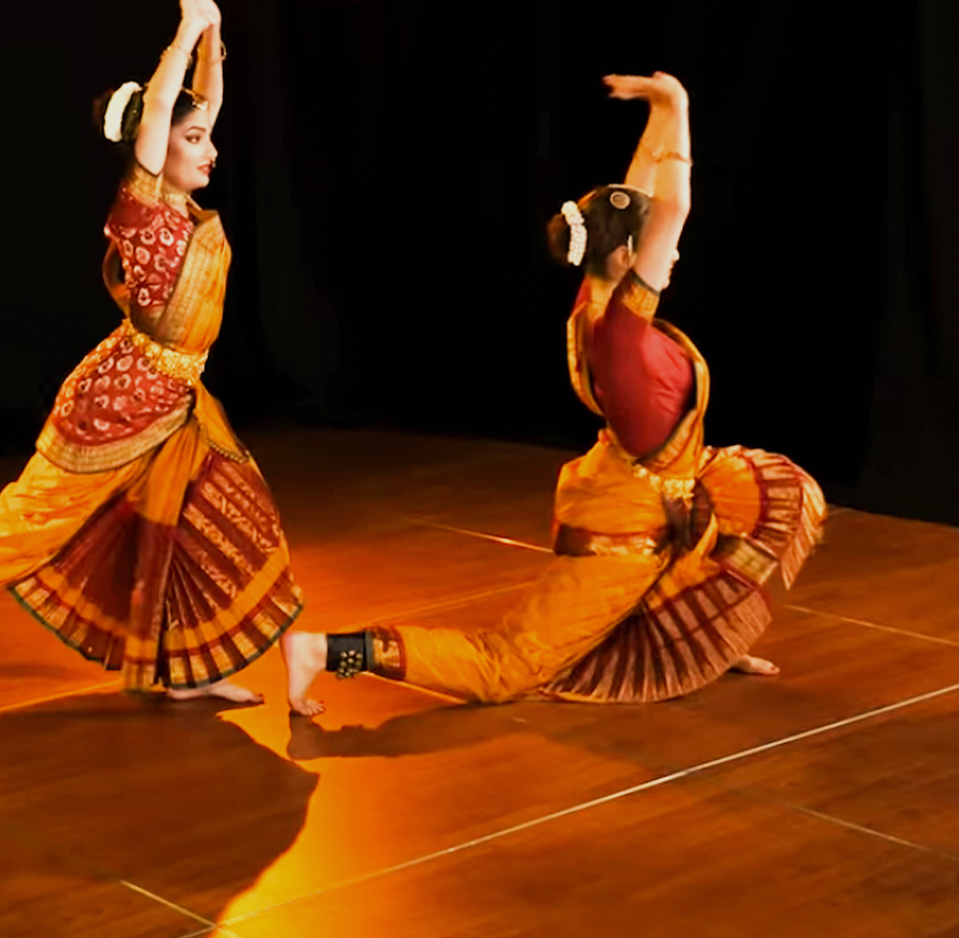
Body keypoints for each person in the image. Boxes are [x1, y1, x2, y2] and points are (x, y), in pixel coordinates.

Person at [289, 72, 824, 704]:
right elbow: (671, 209)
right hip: (623, 532)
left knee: (749, 513)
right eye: (659, 245)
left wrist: (657, 113)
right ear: (626, 257)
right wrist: (679, 104)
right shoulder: (621, 330)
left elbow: (638, 198)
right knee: (507, 668)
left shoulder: (597, 292)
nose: (675, 251)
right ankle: (325, 650)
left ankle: (704, 646)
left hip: (659, 493)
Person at [0, 0, 327, 715]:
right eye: (192, 139)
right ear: (153, 143)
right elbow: (165, 112)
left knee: (214, 526)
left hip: (179, 402)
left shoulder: (180, 202)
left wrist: (214, 35)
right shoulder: (142, 206)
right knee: (32, 522)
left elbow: (201, 103)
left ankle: (189, 668)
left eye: (207, 137)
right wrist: (184, 30)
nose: (210, 148)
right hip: (118, 407)